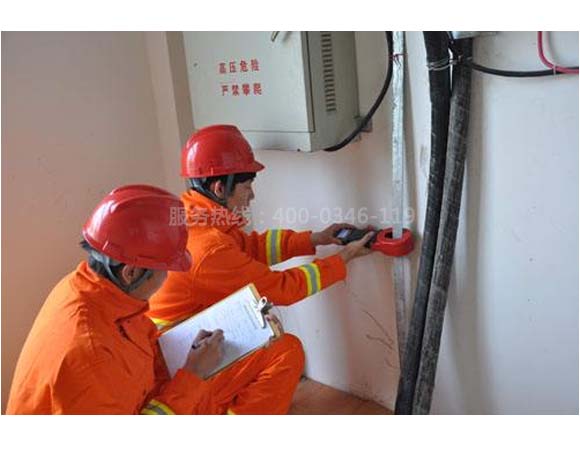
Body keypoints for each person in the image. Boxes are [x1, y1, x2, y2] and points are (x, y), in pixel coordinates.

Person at [6, 184, 303, 415]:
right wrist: (193, 375)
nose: (169, 276)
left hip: (145, 394)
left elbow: (137, 350)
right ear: (132, 272)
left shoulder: (88, 289)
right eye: (166, 268)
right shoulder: (91, 354)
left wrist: (204, 347)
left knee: (282, 349)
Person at [148, 124, 374, 328]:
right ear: (220, 189)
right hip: (172, 347)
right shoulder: (209, 248)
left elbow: (250, 249)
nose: (252, 195)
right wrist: (344, 257)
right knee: (285, 350)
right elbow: (283, 288)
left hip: (179, 327)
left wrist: (315, 238)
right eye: (247, 187)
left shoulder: (193, 216)